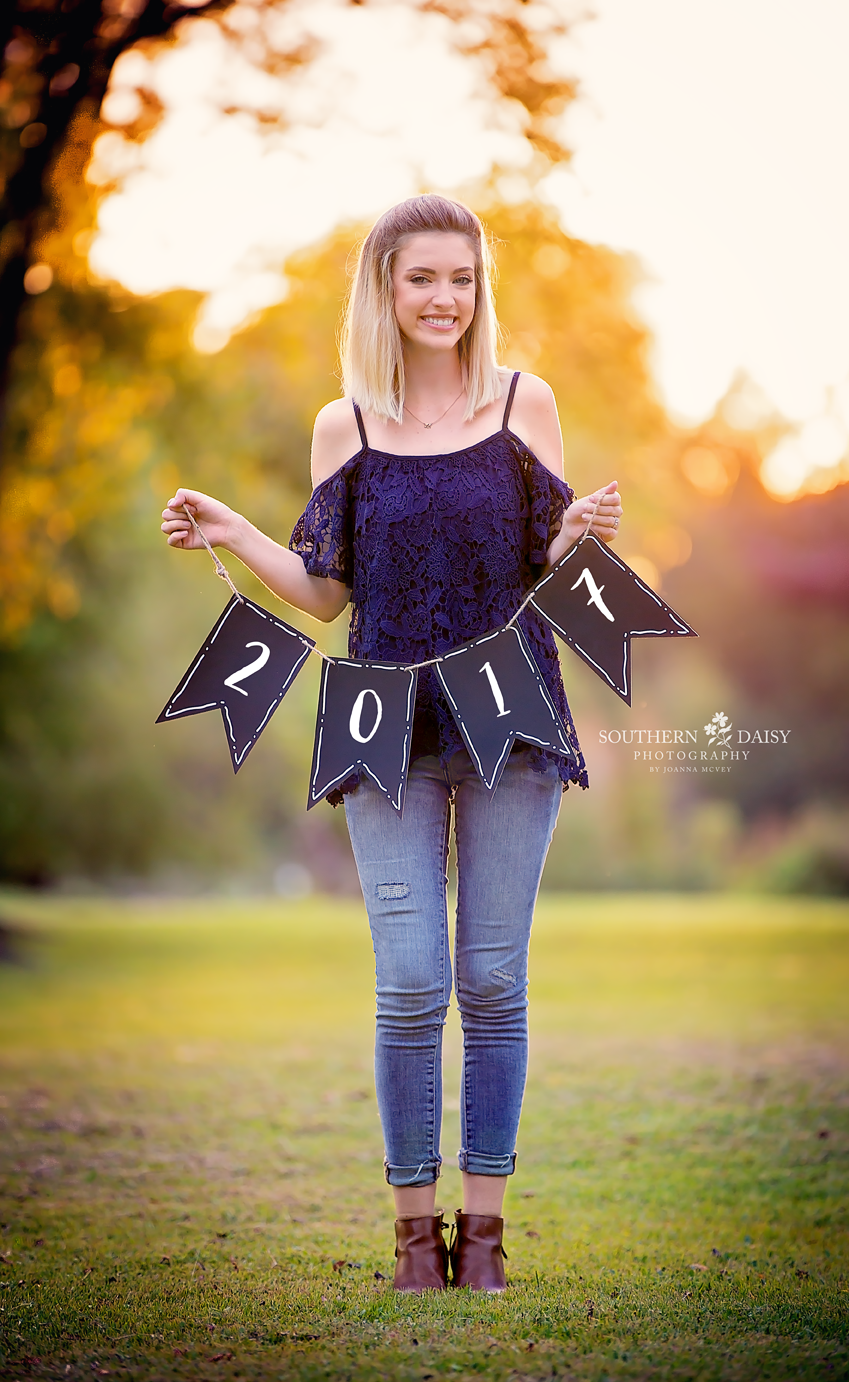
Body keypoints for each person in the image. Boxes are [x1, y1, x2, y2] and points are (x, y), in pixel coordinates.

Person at [161, 194, 622, 1294]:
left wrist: (566, 540)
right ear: (384, 287)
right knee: (411, 981)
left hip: (510, 718)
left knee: (491, 977)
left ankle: (488, 1232)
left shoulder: (526, 403)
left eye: (461, 278)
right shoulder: (347, 426)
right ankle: (416, 1236)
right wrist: (236, 532)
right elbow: (326, 594)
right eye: (423, 278)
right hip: (384, 728)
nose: (445, 299)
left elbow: (549, 580)